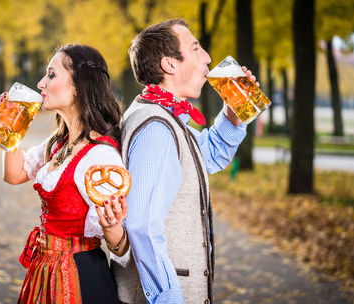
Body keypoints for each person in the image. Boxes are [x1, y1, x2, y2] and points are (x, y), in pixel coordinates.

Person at [110, 19, 259, 303]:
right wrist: (169, 298)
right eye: (196, 48)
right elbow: (140, 225)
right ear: (170, 64)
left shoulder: (164, 117)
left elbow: (210, 155)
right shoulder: (155, 128)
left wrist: (233, 110)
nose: (207, 57)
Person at [0, 44, 129, 304]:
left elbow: (122, 248)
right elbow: (14, 174)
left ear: (79, 87)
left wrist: (112, 226)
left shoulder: (100, 158)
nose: (40, 83)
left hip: (78, 277)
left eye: (51, 75)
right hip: (45, 270)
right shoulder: (58, 143)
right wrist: (11, 131)